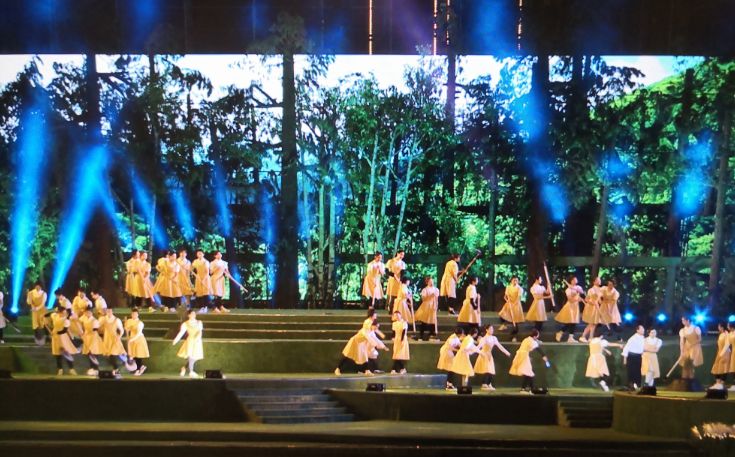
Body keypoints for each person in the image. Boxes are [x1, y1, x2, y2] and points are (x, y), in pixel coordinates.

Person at [335, 309, 387, 376]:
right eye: (375, 314)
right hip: (355, 341)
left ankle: (367, 371)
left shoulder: (371, 326)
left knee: (365, 357)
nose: (376, 315)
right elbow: (367, 335)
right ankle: (338, 369)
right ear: (371, 315)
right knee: (348, 356)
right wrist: (375, 343)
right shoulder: (367, 323)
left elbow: (374, 336)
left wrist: (383, 346)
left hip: (361, 343)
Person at [509, 329, 549, 394]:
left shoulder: (526, 339)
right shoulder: (531, 341)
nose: (538, 337)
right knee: (528, 373)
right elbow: (538, 349)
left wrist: (527, 357)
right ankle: (524, 389)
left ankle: (531, 388)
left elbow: (526, 348)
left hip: (521, 356)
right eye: (537, 336)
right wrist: (544, 356)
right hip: (523, 357)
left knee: (528, 373)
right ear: (534, 336)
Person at [473, 325, 511, 391]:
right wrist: (472, 351)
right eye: (490, 329)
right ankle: (484, 384)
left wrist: (506, 352)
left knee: (491, 370)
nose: (492, 330)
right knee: (487, 370)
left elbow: (499, 346)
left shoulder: (494, 338)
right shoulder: (484, 338)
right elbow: (479, 347)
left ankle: (488, 383)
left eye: (492, 329)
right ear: (487, 330)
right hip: (484, 355)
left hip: (489, 355)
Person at [173, 309, 205, 378]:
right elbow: (181, 333)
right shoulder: (185, 324)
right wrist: (176, 340)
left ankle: (184, 368)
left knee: (194, 357)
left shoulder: (199, 322)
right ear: (189, 315)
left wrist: (198, 338)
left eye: (194, 314)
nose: (193, 315)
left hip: (197, 341)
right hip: (190, 340)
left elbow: (200, 331)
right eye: (192, 314)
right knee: (191, 356)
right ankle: (191, 371)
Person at [48, 305, 78, 375]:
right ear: (59, 312)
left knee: (66, 352)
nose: (65, 314)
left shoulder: (66, 320)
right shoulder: (55, 316)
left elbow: (64, 330)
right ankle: (60, 369)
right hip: (55, 338)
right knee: (57, 353)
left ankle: (71, 369)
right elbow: (48, 314)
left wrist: (56, 332)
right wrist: (43, 317)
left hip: (63, 337)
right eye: (63, 312)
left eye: (65, 312)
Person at [555, 276, 584, 343]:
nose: (575, 280)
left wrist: (575, 289)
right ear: (571, 281)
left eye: (575, 279)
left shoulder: (578, 287)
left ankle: (567, 336)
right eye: (574, 279)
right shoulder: (568, 290)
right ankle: (562, 333)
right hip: (570, 307)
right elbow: (570, 300)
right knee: (570, 322)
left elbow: (582, 292)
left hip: (575, 307)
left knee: (573, 322)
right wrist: (577, 299)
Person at [100, 308, 126, 378]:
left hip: (114, 338)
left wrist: (119, 336)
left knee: (113, 353)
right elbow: (99, 326)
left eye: (110, 311)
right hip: (106, 338)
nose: (109, 312)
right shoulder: (103, 319)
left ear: (112, 312)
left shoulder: (116, 320)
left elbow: (121, 330)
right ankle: (116, 369)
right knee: (110, 354)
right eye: (107, 311)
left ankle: (117, 368)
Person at [125, 308, 150, 376]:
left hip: (139, 340)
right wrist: (128, 336)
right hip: (132, 340)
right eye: (133, 314)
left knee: (138, 355)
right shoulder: (129, 321)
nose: (134, 315)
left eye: (135, 314)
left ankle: (138, 370)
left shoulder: (140, 323)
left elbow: (138, 333)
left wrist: (131, 339)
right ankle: (141, 367)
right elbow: (127, 329)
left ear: (138, 315)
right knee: (134, 355)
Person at [498, 277, 524, 341]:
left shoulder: (519, 288)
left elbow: (518, 298)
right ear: (511, 281)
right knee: (502, 314)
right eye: (514, 280)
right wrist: (507, 300)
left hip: (516, 305)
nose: (515, 281)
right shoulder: (508, 287)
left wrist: (513, 305)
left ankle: (514, 336)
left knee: (515, 321)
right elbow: (505, 296)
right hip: (509, 303)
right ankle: (504, 325)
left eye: (516, 280)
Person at [414, 276, 439, 341]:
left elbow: (436, 299)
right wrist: (430, 296)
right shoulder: (425, 290)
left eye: (432, 281)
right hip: (426, 306)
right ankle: (421, 335)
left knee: (432, 320)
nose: (432, 282)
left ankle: (432, 334)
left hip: (433, 306)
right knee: (424, 320)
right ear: (427, 282)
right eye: (430, 281)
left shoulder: (436, 289)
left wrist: (436, 306)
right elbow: (423, 299)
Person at [79, 307, 102, 376]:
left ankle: (96, 368)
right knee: (89, 353)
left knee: (94, 353)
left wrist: (87, 333)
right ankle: (92, 368)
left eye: (89, 312)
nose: (87, 313)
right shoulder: (84, 319)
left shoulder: (94, 321)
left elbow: (95, 330)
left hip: (94, 338)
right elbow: (79, 321)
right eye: (86, 312)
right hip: (87, 338)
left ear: (92, 313)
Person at [678, 316, 703, 380]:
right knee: (685, 363)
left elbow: (700, 339)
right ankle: (685, 379)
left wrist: (692, 344)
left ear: (688, 320)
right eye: (682, 320)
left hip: (695, 347)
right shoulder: (682, 330)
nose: (682, 322)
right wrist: (681, 351)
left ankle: (691, 380)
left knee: (691, 364)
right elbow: (681, 342)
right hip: (687, 348)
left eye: (683, 320)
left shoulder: (696, 328)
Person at [622, 324, 645, 390]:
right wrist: (625, 359)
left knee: (638, 371)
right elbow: (626, 348)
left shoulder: (643, 338)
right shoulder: (633, 338)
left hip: (638, 356)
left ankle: (637, 385)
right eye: (641, 329)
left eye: (643, 329)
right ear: (637, 330)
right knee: (631, 371)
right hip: (632, 356)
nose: (643, 330)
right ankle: (631, 385)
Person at [580, 277, 603, 343]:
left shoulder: (600, 290)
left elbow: (599, 300)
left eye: (600, 280)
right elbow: (587, 299)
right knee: (591, 323)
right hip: (591, 307)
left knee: (594, 323)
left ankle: (590, 337)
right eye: (598, 280)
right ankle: (583, 336)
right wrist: (593, 303)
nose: (599, 281)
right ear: (594, 282)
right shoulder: (591, 290)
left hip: (596, 307)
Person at [710, 322, 730, 389]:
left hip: (725, 353)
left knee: (724, 368)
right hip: (719, 353)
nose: (718, 328)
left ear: (722, 327)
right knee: (716, 368)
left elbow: (727, 344)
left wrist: (722, 354)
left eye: (719, 326)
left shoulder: (726, 334)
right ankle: (717, 383)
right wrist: (719, 353)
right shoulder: (720, 334)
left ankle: (722, 383)